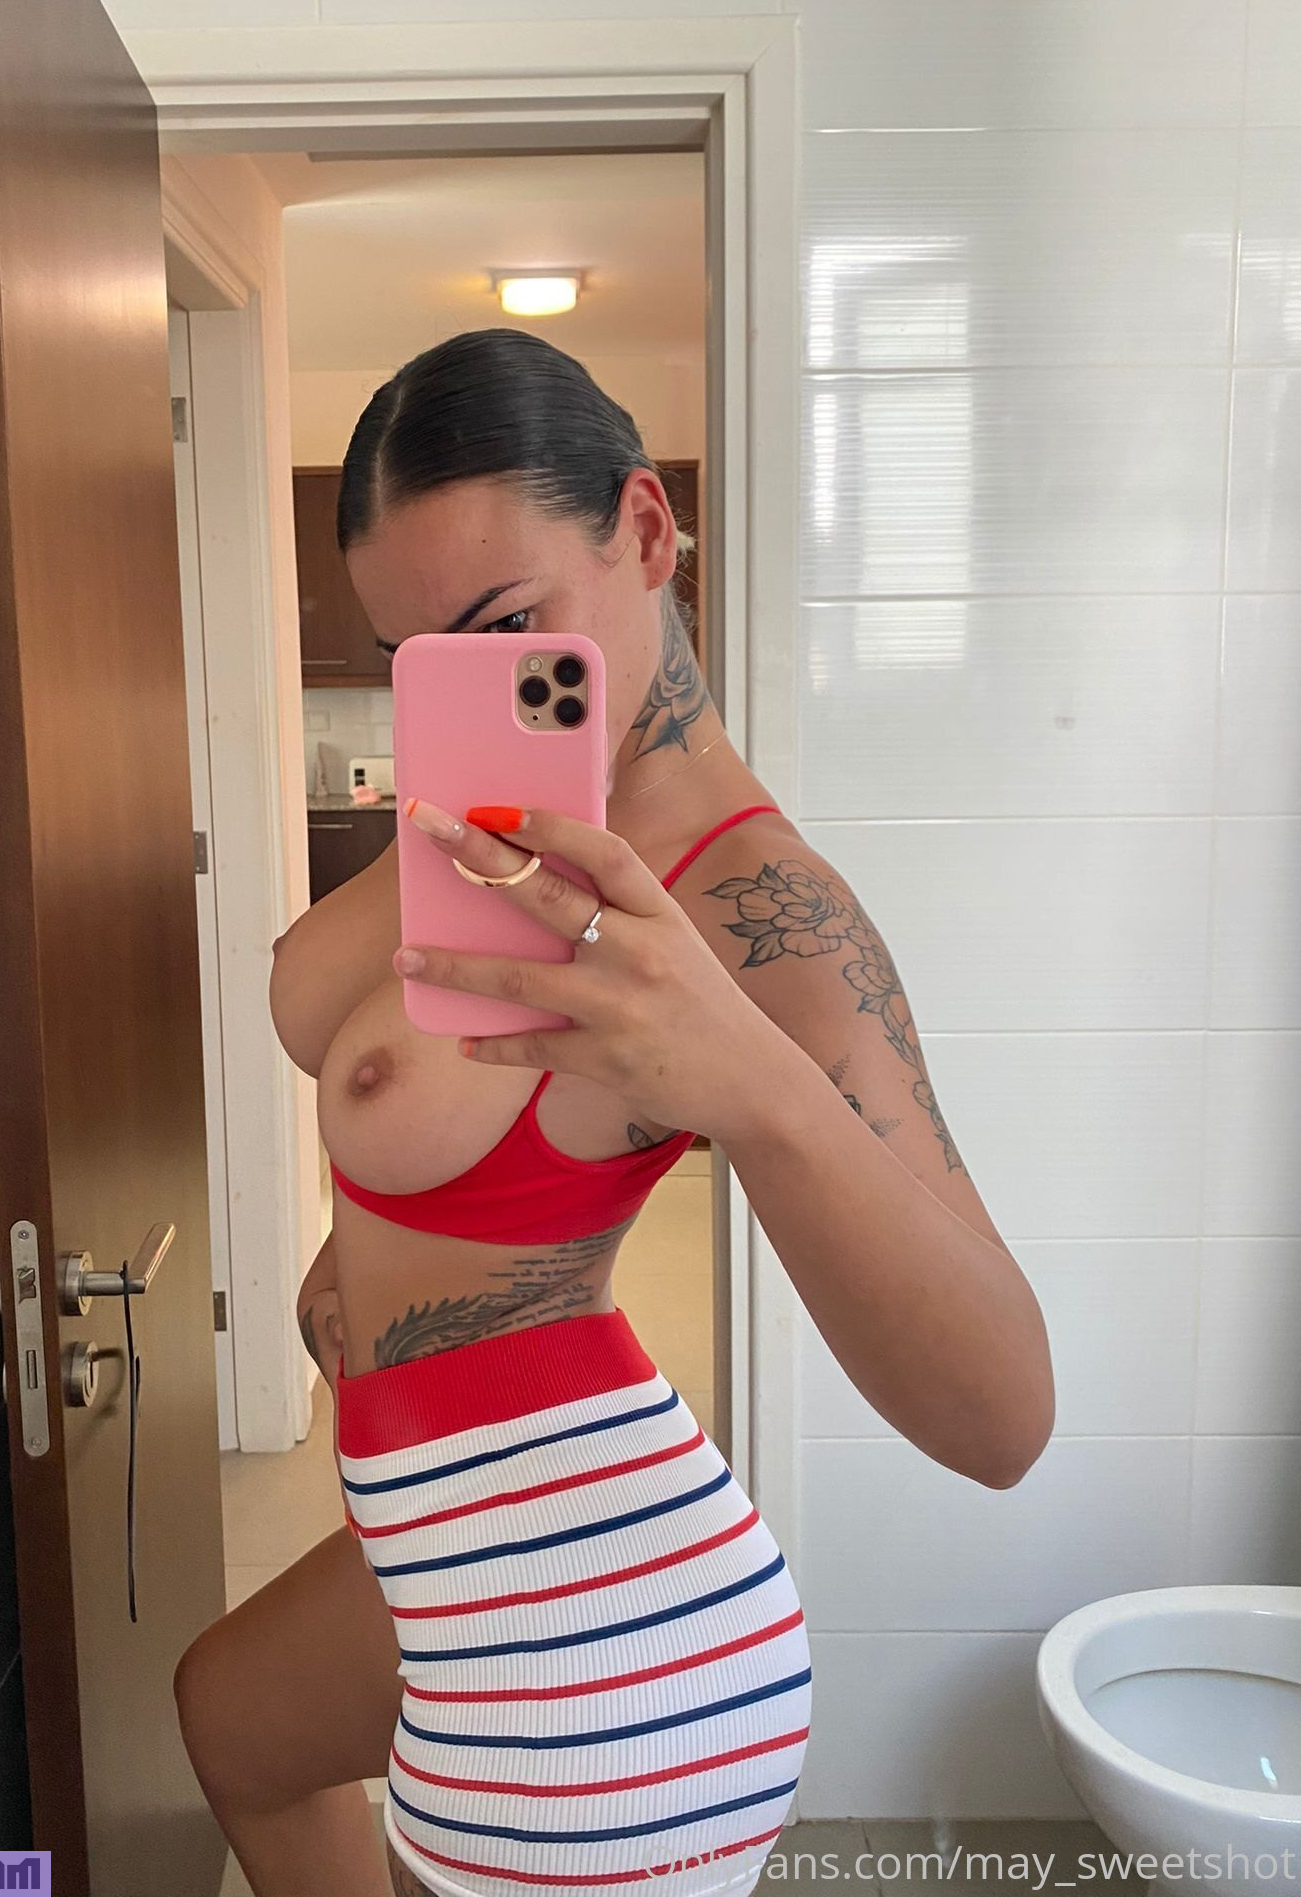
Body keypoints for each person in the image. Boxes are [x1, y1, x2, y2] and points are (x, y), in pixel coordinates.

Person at [175, 329, 1054, 1897]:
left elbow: (1003, 1416)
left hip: (596, 1643)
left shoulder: (757, 908)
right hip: (446, 1534)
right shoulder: (501, 818)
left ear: (647, 531)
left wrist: (749, 1085)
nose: (467, 688)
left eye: (508, 627)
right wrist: (361, 1260)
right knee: (231, 1716)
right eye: (415, 658)